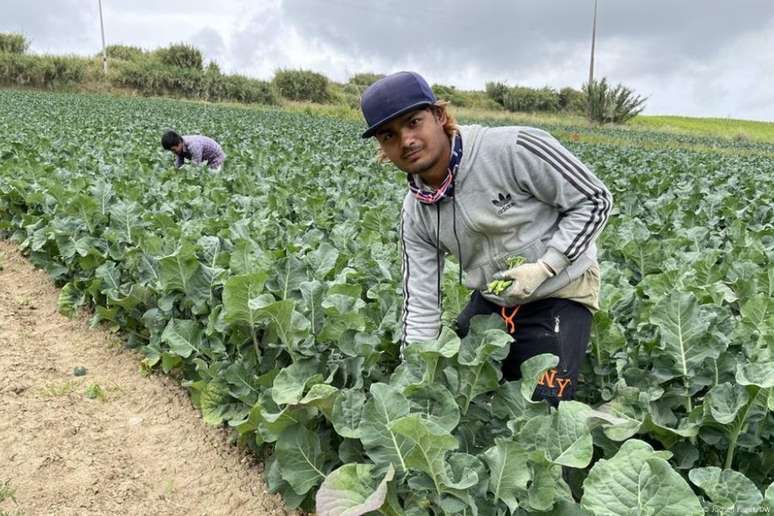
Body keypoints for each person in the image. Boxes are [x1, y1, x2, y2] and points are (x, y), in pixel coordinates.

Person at [359, 71, 612, 406]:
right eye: (389, 135)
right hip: (494, 299)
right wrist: (415, 378)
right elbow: (420, 300)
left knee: (543, 413)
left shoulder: (513, 148)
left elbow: (595, 200)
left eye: (414, 122)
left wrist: (546, 267)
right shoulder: (416, 212)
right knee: (455, 388)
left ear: (439, 116)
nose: (406, 140)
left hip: (560, 291)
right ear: (382, 148)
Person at [161, 130, 225, 171]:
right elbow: (179, 164)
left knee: (211, 177)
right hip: (206, 160)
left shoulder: (193, 145)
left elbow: (196, 166)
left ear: (179, 143)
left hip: (216, 158)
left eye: (173, 150)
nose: (173, 152)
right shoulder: (179, 146)